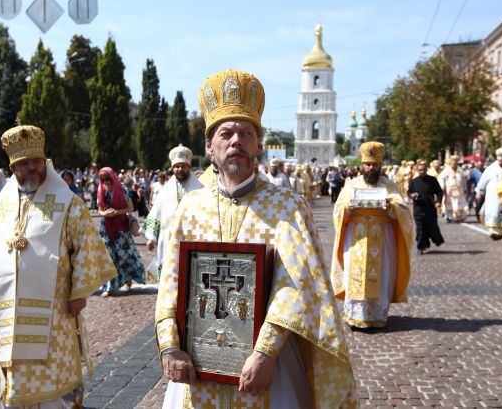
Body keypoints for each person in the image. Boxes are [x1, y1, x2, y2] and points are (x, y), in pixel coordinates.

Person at [156, 69, 358, 408]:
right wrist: (169, 345)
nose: (236, 141)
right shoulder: (190, 207)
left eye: (246, 133)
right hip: (197, 364)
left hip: (268, 366)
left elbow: (295, 285)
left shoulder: (287, 206)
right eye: (226, 133)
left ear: (258, 144)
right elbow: (170, 281)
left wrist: (265, 352)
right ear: (210, 145)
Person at [0, 125, 116, 407]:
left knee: (53, 389)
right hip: (7, 312)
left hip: (56, 313)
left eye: (35, 161)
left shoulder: (69, 203)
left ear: (44, 161)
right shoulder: (0, 205)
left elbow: (87, 248)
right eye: (23, 164)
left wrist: (79, 292)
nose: (31, 168)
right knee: (13, 384)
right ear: (13, 168)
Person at [330, 141, 414, 328]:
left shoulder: (389, 186)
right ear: (362, 165)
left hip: (382, 238)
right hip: (356, 238)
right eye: (368, 164)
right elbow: (338, 209)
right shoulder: (352, 185)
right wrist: (347, 208)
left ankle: (377, 315)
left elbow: (404, 211)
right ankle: (355, 316)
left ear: (380, 165)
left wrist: (392, 207)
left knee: (381, 273)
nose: (371, 168)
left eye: (374, 164)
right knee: (355, 272)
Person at [142, 145, 202, 280]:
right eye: (177, 166)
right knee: (168, 276)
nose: (180, 169)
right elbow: (155, 212)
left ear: (189, 166)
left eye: (183, 166)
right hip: (168, 239)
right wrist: (151, 238)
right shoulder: (165, 190)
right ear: (172, 168)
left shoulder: (200, 189)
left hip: (191, 239)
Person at [98, 167, 146, 296]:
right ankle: (108, 287)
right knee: (108, 256)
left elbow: (130, 207)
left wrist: (116, 212)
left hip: (121, 228)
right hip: (106, 227)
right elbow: (99, 209)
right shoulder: (101, 190)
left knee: (123, 255)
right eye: (103, 179)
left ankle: (128, 278)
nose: (106, 182)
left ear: (113, 177)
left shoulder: (122, 189)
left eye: (108, 179)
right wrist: (104, 213)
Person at [408, 162, 444, 254]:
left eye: (424, 170)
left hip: (430, 209)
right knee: (420, 229)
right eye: (420, 170)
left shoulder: (432, 180)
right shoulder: (414, 181)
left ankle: (427, 242)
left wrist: (438, 202)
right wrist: (412, 195)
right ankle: (420, 247)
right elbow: (409, 192)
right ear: (417, 170)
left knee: (431, 227)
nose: (422, 171)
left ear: (426, 170)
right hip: (418, 210)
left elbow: (439, 192)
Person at [475, 148, 502, 239]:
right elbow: (483, 181)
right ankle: (493, 231)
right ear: (497, 159)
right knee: (494, 211)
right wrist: (479, 192)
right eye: (500, 160)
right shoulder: (490, 169)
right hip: (493, 197)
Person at [438, 156, 467, 223]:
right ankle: (449, 217)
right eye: (453, 164)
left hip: (459, 191)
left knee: (459, 204)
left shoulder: (460, 170)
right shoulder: (446, 171)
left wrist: (465, 188)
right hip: (449, 191)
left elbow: (463, 180)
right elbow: (441, 179)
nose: (454, 165)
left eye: (456, 164)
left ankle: (459, 217)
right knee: (449, 204)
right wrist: (442, 187)